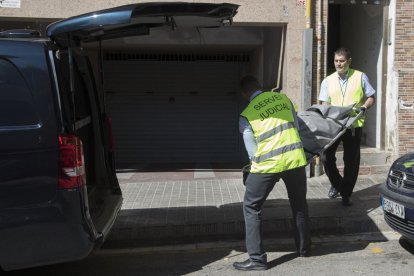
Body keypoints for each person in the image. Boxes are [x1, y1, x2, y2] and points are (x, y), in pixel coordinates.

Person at [233, 75, 311, 271]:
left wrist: (252, 172)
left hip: (267, 164)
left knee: (251, 206)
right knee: (299, 204)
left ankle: (257, 260)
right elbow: (296, 124)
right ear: (260, 87)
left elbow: (252, 151)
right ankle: (304, 249)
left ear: (245, 93)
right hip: (295, 160)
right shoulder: (284, 99)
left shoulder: (247, 114)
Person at [319, 47, 376, 206]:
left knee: (351, 161)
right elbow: (324, 103)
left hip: (353, 126)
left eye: (342, 61)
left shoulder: (360, 77)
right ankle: (338, 184)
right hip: (334, 126)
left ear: (349, 61)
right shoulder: (328, 80)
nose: (338, 64)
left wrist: (364, 107)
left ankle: (346, 193)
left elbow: (371, 97)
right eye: (336, 61)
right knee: (326, 156)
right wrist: (328, 113)